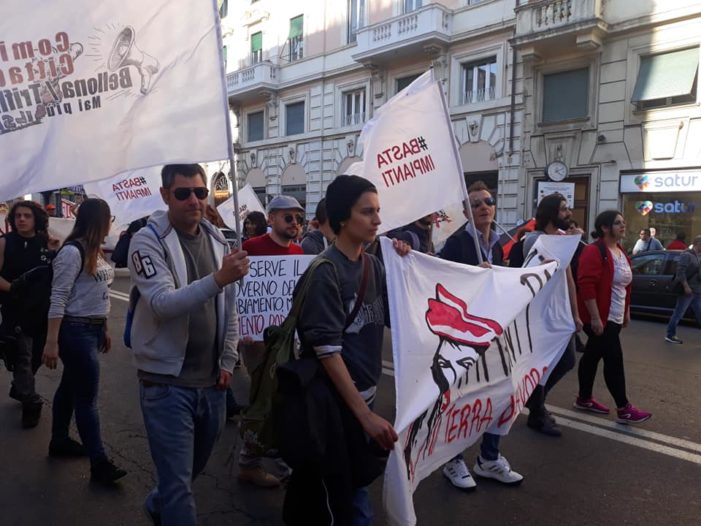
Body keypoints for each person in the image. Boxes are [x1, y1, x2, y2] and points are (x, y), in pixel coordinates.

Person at [128, 164, 249, 525]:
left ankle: (157, 504)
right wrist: (219, 278)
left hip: (211, 383)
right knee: (180, 489)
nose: (194, 200)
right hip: (166, 385)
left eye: (200, 192)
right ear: (166, 196)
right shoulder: (147, 240)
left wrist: (228, 360)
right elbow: (163, 304)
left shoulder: (216, 238)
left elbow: (230, 305)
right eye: (183, 193)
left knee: (184, 476)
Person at [284, 175, 408, 526]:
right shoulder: (326, 272)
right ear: (342, 218)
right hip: (334, 407)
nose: (377, 220)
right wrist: (365, 417)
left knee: (352, 490)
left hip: (363, 399)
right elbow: (327, 352)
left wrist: (408, 267)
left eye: (378, 211)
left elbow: (400, 319)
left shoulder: (374, 266)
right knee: (346, 501)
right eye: (367, 212)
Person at [439, 181, 523, 490]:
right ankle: (453, 460)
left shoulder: (499, 245)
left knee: (499, 394)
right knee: (463, 399)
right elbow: (442, 284)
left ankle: (489, 459)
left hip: (492, 333)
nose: (483, 206)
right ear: (465, 211)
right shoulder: (456, 243)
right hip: (463, 336)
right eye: (475, 204)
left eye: (488, 201)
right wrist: (474, 275)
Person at [41, 198, 127, 483]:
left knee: (69, 387)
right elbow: (59, 297)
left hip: (90, 328)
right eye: (109, 218)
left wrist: (103, 327)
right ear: (99, 220)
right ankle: (99, 463)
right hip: (74, 331)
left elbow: (97, 295)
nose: (111, 224)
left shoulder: (95, 251)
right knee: (87, 398)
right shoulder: (72, 252)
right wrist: (52, 342)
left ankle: (59, 440)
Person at [237, 195, 305, 488]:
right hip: (257, 342)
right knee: (266, 401)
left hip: (288, 340)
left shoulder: (300, 253)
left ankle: (261, 458)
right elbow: (239, 294)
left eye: (299, 219)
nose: (295, 224)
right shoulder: (250, 249)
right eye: (288, 217)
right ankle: (256, 461)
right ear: (272, 218)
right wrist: (242, 332)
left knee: (281, 401)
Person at [574, 210, 652, 424]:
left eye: (623, 222)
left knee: (591, 356)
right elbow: (586, 285)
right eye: (618, 223)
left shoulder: (620, 251)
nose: (623, 226)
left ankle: (584, 398)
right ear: (605, 228)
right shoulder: (594, 250)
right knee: (613, 359)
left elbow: (625, 286)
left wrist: (626, 311)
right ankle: (624, 408)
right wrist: (595, 318)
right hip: (600, 317)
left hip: (615, 316)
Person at [521, 194, 583, 436]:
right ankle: (536, 412)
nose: (568, 213)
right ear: (550, 213)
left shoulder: (561, 239)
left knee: (566, 361)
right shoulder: (534, 240)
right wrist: (566, 245)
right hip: (541, 316)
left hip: (560, 314)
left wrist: (575, 314)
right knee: (545, 364)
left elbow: (568, 279)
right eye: (564, 209)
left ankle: (536, 403)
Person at [0, 201, 57, 428]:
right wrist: (13, 288)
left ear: (36, 219)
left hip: (41, 311)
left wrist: (54, 252)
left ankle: (20, 387)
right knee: (22, 356)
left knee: (34, 359)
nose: (21, 220)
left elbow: (55, 273)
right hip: (15, 311)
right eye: (18, 216)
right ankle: (31, 403)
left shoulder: (46, 242)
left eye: (27, 216)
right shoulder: (5, 243)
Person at [665, 236, 701, 344]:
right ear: (698, 244)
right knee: (679, 313)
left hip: (697, 290)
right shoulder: (686, 255)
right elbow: (680, 272)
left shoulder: (699, 256)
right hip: (688, 291)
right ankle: (670, 335)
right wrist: (686, 286)